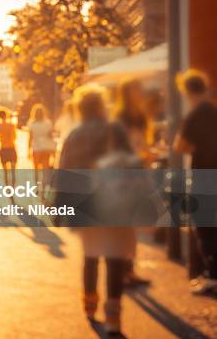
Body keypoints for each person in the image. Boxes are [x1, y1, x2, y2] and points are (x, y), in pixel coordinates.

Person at [57, 84, 133, 336]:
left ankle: (89, 306)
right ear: (101, 106)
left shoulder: (73, 135)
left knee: (90, 256)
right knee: (114, 260)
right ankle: (113, 319)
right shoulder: (115, 131)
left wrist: (60, 207)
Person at [174, 69, 217, 295]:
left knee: (204, 227)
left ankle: (211, 275)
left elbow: (181, 146)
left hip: (202, 176)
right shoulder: (213, 110)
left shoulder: (194, 115)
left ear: (187, 91)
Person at [114, 78, 154, 288]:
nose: (141, 94)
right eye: (137, 90)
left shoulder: (139, 116)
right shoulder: (121, 118)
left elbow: (142, 143)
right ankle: (122, 270)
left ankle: (128, 269)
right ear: (128, 94)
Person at [0, 108, 17, 186]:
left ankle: (6, 183)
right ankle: (13, 181)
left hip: (3, 148)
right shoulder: (12, 125)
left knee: (5, 169)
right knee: (13, 168)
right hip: (11, 147)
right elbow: (15, 137)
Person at [27, 103, 56, 171]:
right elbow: (51, 137)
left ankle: (37, 181)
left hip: (36, 148)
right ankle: (44, 181)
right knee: (45, 169)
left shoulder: (31, 124)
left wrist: (28, 150)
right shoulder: (48, 123)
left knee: (36, 168)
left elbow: (30, 138)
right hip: (46, 148)